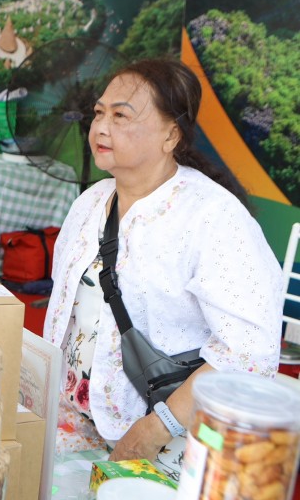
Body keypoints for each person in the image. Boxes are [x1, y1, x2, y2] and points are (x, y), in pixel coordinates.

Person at [44, 58, 282, 474]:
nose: (100, 127)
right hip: (74, 426)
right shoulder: (90, 203)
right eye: (99, 112)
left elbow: (250, 353)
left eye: (121, 115)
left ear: (171, 134)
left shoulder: (213, 218)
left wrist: (158, 427)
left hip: (161, 447)